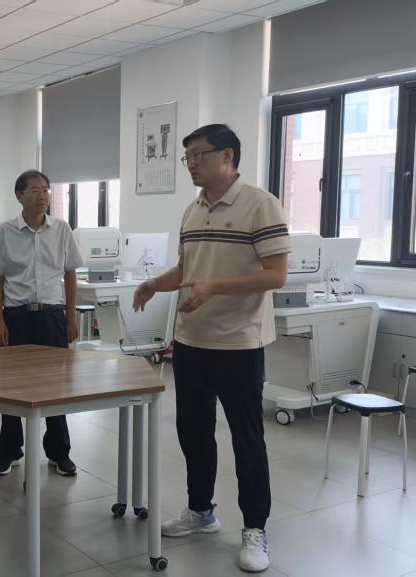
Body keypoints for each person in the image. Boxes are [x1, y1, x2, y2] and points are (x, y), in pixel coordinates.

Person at [132, 124, 290, 573]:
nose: (192, 164)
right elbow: (188, 270)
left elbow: (276, 274)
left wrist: (214, 287)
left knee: (246, 438)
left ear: (227, 156)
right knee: (193, 432)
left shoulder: (260, 205)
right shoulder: (193, 209)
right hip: (191, 342)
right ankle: (201, 511)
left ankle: (255, 528)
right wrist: (154, 284)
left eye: (198, 155)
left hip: (239, 343)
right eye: (188, 158)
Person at [0, 169, 83, 477]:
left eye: (46, 190)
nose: (42, 195)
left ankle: (59, 453)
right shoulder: (3, 232)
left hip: (52, 316)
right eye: (35, 190)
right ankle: (10, 451)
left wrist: (71, 315)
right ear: (19, 195)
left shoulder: (61, 229)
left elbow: (70, 273)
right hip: (17, 317)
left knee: (56, 386)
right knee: (11, 387)